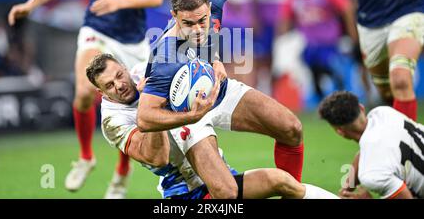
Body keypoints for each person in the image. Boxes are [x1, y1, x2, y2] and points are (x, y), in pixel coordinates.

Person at [7, 0, 164, 198]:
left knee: (132, 108)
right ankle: (86, 156)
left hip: (132, 40)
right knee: (83, 92)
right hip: (97, 29)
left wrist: (118, 2)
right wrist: (30, 4)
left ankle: (122, 172)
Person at [137, 0, 326, 197]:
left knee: (290, 128)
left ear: (209, 6)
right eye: (188, 23)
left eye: (202, 21)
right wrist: (192, 115)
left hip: (219, 89)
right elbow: (144, 117)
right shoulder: (166, 57)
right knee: (225, 192)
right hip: (185, 113)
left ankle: (292, 194)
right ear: (174, 15)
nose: (197, 29)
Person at [87, 53, 338, 199]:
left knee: (281, 180)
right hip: (186, 194)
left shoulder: (148, 70)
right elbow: (158, 156)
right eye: (109, 85)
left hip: (220, 174)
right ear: (101, 92)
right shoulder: (112, 120)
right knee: (232, 191)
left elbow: (190, 42)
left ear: (124, 67)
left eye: (119, 75)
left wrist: (215, 60)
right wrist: (150, 107)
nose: (119, 85)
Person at [319, 90, 424, 199]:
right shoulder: (383, 112)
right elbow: (363, 153)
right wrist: (346, 188)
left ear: (339, 131)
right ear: (361, 108)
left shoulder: (371, 173)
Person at [277, 0, 358, 100]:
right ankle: (319, 103)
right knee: (314, 77)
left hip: (330, 43)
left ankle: (344, 100)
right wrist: (282, 41)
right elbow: (285, 17)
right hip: (308, 44)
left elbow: (347, 7)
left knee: (335, 74)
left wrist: (353, 34)